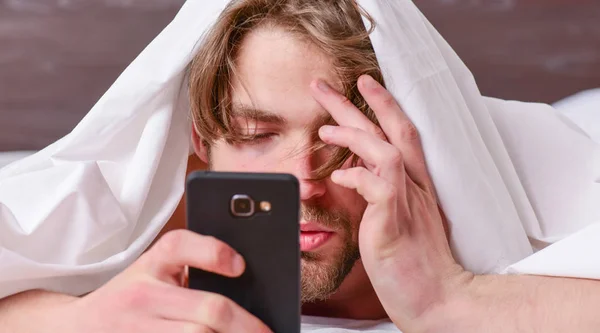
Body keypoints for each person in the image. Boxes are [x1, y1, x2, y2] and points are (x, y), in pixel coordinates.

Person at [1, 0, 600, 332]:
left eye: (345, 139)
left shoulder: (485, 191)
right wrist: (77, 320)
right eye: (256, 134)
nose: (305, 180)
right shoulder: (147, 219)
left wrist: (454, 299)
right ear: (201, 140)